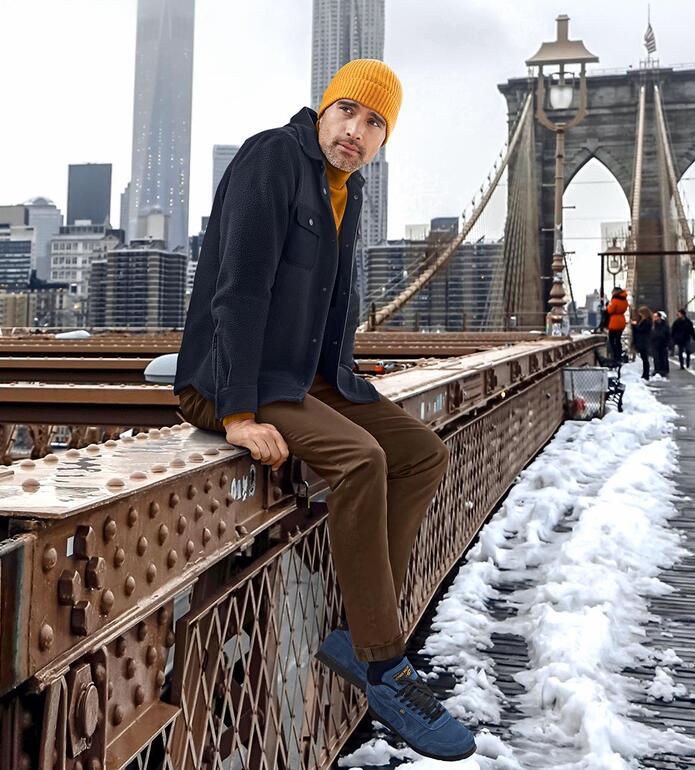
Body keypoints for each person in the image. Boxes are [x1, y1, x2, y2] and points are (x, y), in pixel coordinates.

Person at [173, 59, 475, 761]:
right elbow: (240, 291)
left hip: (305, 377)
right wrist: (239, 413)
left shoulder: (350, 189)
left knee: (423, 453)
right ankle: (382, 662)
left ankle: (361, 626)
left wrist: (342, 376)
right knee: (361, 460)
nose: (357, 131)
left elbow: (332, 299)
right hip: (231, 380)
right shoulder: (272, 157)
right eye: (349, 112)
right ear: (323, 109)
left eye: (375, 123)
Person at [605, 286, 628, 363]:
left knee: (612, 340)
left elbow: (610, 310)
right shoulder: (624, 300)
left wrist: (607, 306)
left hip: (614, 322)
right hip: (622, 321)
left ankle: (616, 357)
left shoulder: (615, 300)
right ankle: (619, 356)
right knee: (618, 340)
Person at [631, 306, 653, 380]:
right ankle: (645, 374)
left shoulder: (646, 322)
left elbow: (641, 330)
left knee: (645, 359)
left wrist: (634, 326)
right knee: (644, 359)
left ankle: (646, 374)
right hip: (643, 341)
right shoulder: (645, 321)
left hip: (644, 342)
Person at [651, 311, 671, 377]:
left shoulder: (664, 325)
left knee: (663, 357)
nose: (654, 318)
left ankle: (664, 370)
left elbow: (668, 335)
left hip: (663, 344)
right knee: (656, 358)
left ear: (659, 317)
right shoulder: (653, 325)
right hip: (655, 343)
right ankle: (657, 369)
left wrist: (668, 343)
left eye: (656, 317)